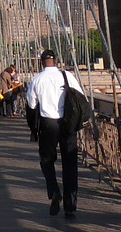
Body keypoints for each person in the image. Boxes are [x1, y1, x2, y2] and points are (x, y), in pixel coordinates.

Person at [25, 49, 83, 218]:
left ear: (41, 62)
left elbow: (31, 107)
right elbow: (80, 99)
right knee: (70, 164)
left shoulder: (37, 80)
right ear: (56, 61)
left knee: (46, 160)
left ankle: (54, 190)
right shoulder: (67, 77)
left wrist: (33, 130)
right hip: (68, 124)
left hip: (48, 125)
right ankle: (70, 206)